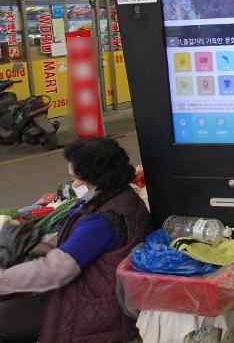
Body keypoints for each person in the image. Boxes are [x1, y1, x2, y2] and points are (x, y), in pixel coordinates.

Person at [0, 137, 151, 343]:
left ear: (90, 172)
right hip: (96, 290)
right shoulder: (119, 196)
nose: (69, 169)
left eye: (73, 164)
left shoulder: (103, 219)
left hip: (92, 304)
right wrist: (36, 241)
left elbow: (55, 271)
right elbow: (74, 242)